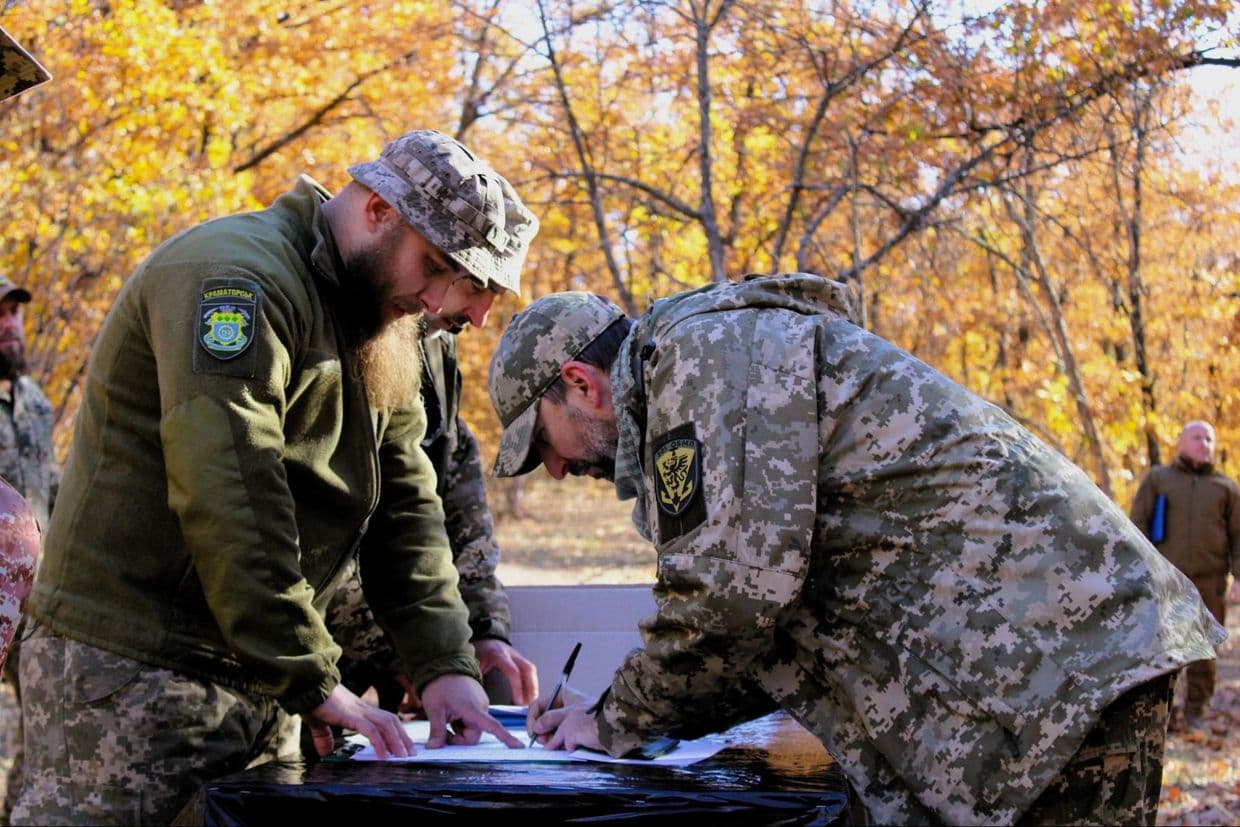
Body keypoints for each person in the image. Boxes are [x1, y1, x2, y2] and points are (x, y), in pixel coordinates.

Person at [486, 274, 1227, 826]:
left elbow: (730, 595)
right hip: (1025, 671)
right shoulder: (699, 372)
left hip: (1059, 659)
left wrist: (616, 720)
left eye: (543, 445)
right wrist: (617, 712)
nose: (557, 471)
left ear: (580, 384)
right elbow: (757, 629)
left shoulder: (700, 357)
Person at [14, 129, 539, 825]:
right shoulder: (237, 281)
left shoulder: (378, 315)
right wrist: (311, 674)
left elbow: (406, 505)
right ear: (378, 210)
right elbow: (232, 494)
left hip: (257, 677)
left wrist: (445, 666)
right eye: (440, 267)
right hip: (134, 671)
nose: (452, 305)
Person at [324, 307, 539, 720]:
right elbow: (317, 557)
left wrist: (487, 634)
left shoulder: (447, 428)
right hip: (311, 658)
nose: (480, 315)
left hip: (406, 643)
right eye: (471, 287)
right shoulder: (335, 397)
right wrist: (428, 661)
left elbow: (470, 546)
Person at [1130, 420, 1239, 730]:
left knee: (1204, 650)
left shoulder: (1226, 487)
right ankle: (1160, 717)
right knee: (1162, 650)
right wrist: (1138, 570)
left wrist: (1238, 577)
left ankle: (1195, 714)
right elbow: (1137, 525)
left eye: (1209, 439)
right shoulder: (1159, 479)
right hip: (1167, 581)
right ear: (1181, 442)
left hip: (1210, 581)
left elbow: (1238, 536)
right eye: (1197, 437)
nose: (1204, 444)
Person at [0, 275, 59, 825]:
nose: (9, 325)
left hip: (37, 599)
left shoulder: (35, 403)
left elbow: (51, 489)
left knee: (43, 725)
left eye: (14, 313)